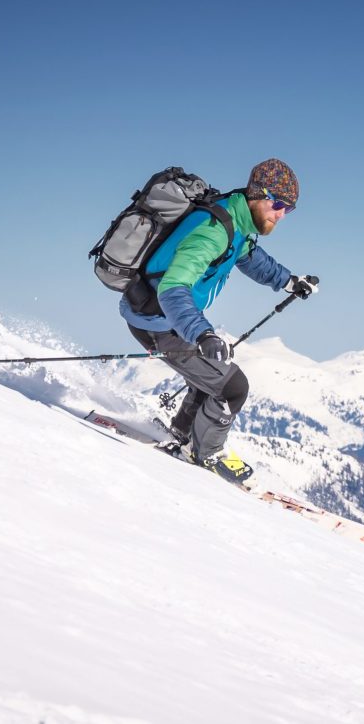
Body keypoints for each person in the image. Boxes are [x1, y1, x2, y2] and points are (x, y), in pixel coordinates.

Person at [120, 158, 317, 485]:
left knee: (213, 373)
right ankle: (207, 454)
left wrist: (288, 281)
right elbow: (172, 288)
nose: (281, 214)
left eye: (289, 209)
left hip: (165, 316)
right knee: (232, 387)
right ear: (257, 195)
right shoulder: (213, 232)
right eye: (278, 204)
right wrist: (202, 334)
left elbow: (250, 257)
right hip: (158, 318)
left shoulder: (236, 220)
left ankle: (181, 434)